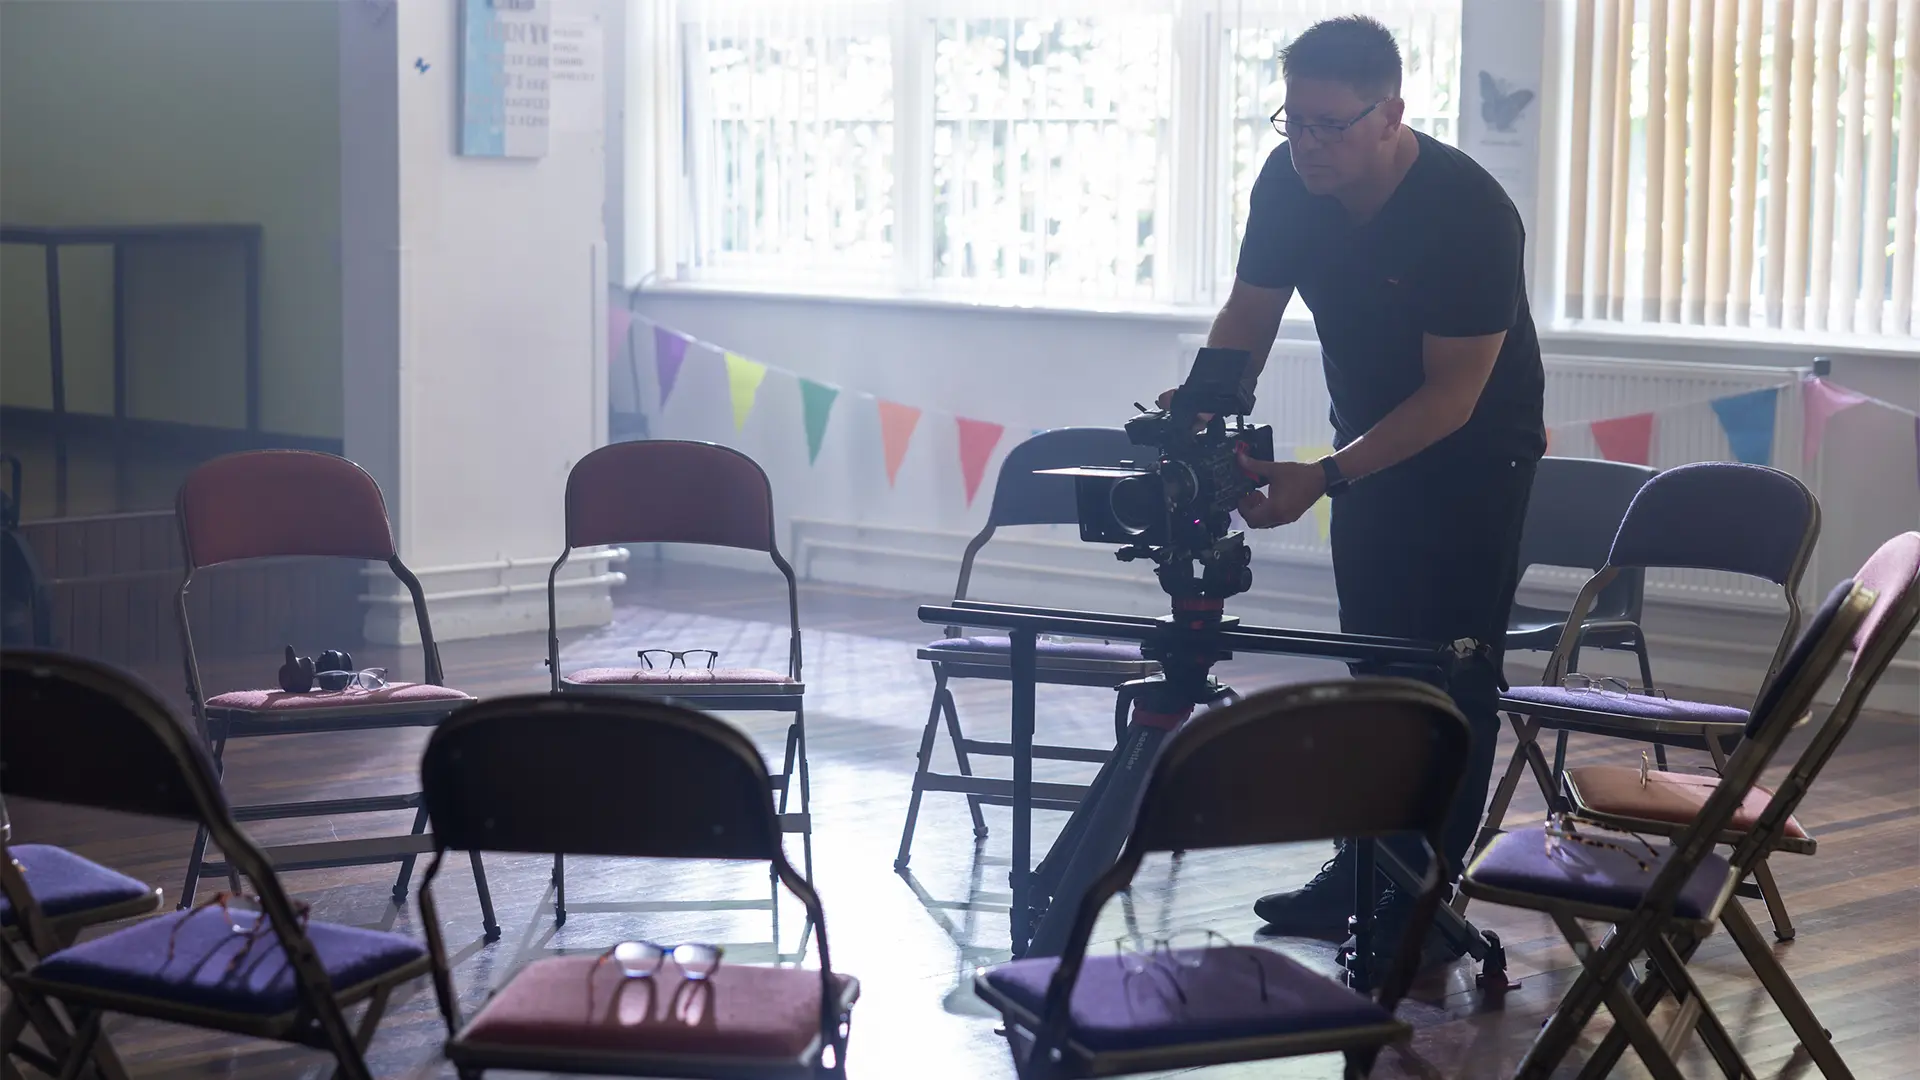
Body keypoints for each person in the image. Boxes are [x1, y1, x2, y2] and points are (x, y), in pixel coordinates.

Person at [1181, 15, 1546, 968]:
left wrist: (1324, 478)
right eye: (1290, 121)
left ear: (1391, 113)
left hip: (1475, 463)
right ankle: (1361, 873)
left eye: (1328, 125)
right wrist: (1201, 414)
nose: (1305, 145)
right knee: (1372, 672)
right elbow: (1249, 313)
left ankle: (1420, 910)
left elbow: (1453, 398)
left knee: (1447, 682)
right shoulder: (1288, 185)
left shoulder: (1468, 213)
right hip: (1366, 450)